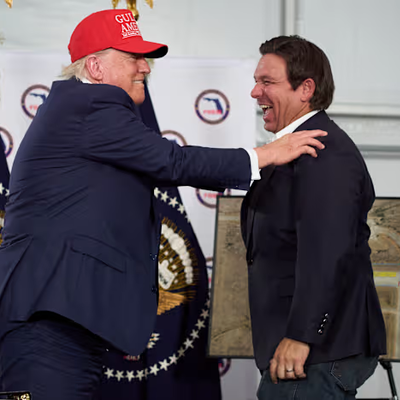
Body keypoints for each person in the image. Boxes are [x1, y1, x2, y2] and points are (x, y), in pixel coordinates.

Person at [0, 10, 326, 400]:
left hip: (60, 322)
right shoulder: (90, 106)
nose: (145, 67)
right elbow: (173, 161)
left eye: (145, 58)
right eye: (133, 57)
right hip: (48, 325)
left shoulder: (80, 109)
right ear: (95, 67)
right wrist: (265, 155)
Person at [241, 35, 387, 400]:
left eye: (267, 82)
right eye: (257, 81)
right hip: (305, 352)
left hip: (314, 353)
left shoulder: (324, 153)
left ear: (306, 88)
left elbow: (327, 252)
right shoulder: (295, 149)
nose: (255, 92)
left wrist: (301, 335)